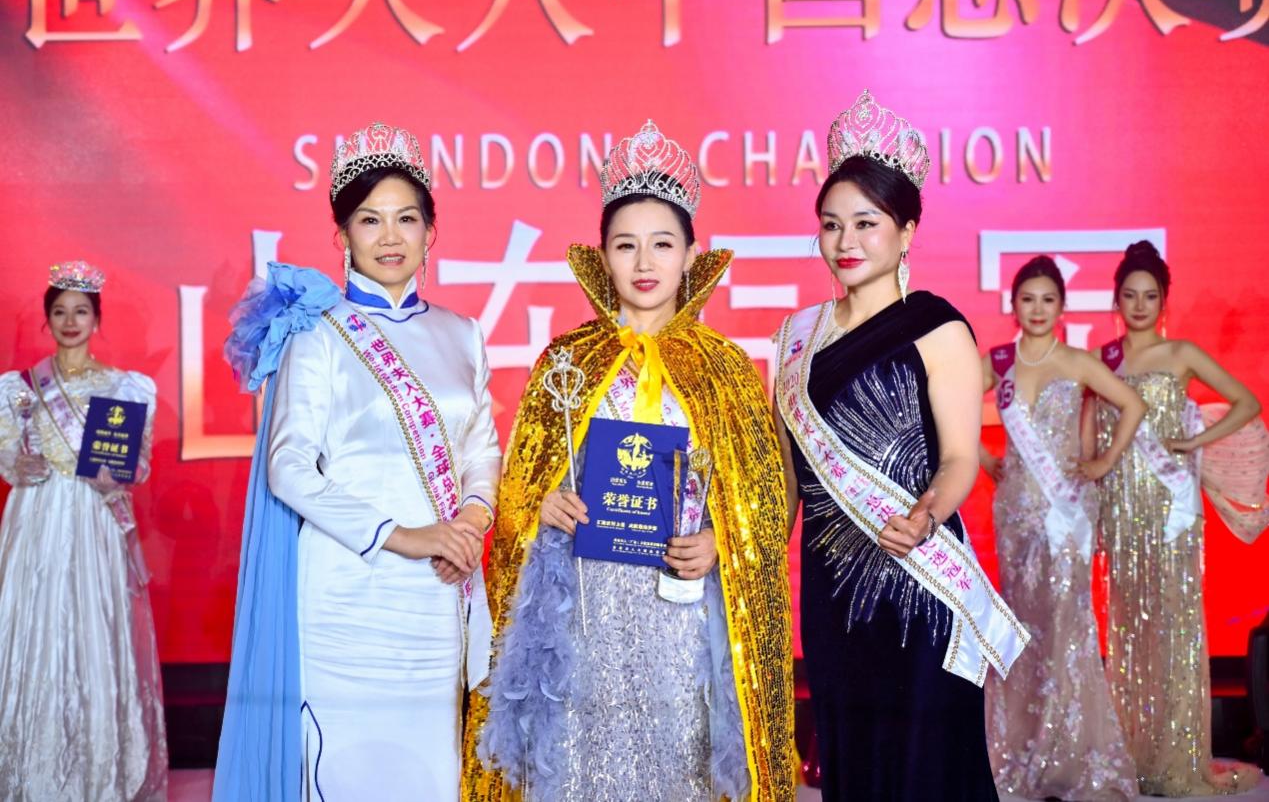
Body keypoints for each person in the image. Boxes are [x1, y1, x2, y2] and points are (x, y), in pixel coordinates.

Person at [467, 121, 796, 801]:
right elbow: (521, 484)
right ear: (602, 257)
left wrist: (721, 542)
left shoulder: (725, 368)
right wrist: (539, 506)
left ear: (690, 255)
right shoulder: (566, 361)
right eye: (626, 244)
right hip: (584, 612)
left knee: (678, 764)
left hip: (681, 614)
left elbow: (762, 501)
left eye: (662, 243)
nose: (644, 262)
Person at [213, 122, 499, 801]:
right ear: (342, 235)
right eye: (370, 220)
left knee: (432, 775)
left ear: (431, 232)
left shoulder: (462, 334)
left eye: (407, 218)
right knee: (345, 773)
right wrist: (405, 536)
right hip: (348, 596)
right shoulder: (317, 335)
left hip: (437, 594)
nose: (389, 236)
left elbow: (481, 447)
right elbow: (289, 467)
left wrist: (470, 519)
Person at [772, 90, 1029, 801]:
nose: (845, 241)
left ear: (906, 230)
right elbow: (789, 477)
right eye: (831, 225)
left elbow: (959, 458)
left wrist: (923, 516)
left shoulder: (937, 327)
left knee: (926, 762)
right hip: (830, 591)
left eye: (866, 223)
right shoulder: (795, 338)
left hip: (917, 576)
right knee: (852, 758)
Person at [1091, 240, 1263, 795]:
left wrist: (1195, 441)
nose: (1140, 305)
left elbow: (1247, 402)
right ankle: (1137, 754)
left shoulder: (1182, 353)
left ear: (1164, 301)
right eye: (1130, 295)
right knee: (1129, 633)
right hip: (1122, 510)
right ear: (1116, 300)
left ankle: (1177, 757)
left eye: (1150, 296)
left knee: (1174, 630)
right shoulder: (1102, 359)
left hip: (1170, 512)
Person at [0, 261, 167, 800]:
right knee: (32, 629)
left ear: (97, 319)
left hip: (93, 522)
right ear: (47, 319)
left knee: (94, 631)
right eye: (60, 312)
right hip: (36, 519)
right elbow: (8, 457)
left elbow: (138, 465)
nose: (70, 322)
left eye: (81, 312)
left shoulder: (124, 388)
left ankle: (97, 774)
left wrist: (116, 475)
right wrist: (16, 465)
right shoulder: (19, 390)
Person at [980, 255, 1142, 801]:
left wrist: (1102, 463)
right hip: (1016, 511)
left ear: (1062, 306)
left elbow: (1133, 405)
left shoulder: (1076, 361)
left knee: (1067, 623)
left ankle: (1068, 755)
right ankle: (1024, 752)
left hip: (1066, 510)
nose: (1038, 309)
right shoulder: (999, 362)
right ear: (1013, 305)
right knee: (1024, 627)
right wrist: (981, 457)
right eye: (1027, 299)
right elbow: (946, 405)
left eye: (1048, 299)